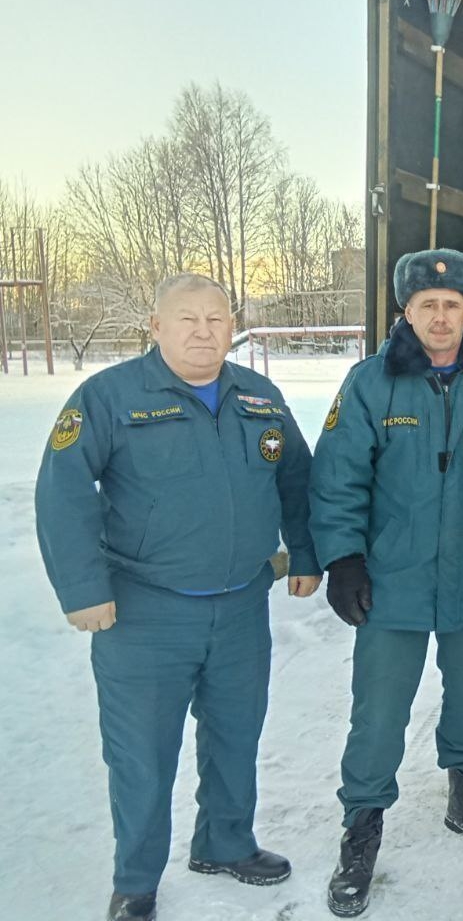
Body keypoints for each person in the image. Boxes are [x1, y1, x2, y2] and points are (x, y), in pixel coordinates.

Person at [34, 273, 321, 921]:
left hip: (242, 605)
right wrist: (83, 589)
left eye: (216, 319)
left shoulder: (259, 396)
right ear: (155, 327)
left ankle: (224, 844)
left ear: (232, 326)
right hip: (144, 613)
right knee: (142, 751)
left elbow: (297, 479)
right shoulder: (110, 397)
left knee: (236, 736)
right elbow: (63, 492)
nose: (202, 331)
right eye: (186, 318)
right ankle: (135, 881)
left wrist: (303, 553)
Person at [309, 248, 463, 918]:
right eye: (428, 307)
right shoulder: (371, 383)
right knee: (380, 709)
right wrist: (344, 560)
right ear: (407, 313)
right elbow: (338, 478)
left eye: (452, 306)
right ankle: (361, 829)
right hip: (391, 582)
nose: (441, 318)